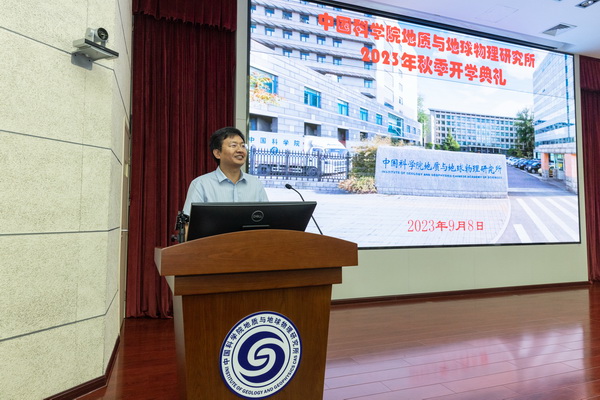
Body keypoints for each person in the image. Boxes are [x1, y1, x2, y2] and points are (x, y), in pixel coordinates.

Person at [182, 126, 268, 216]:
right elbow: (189, 222)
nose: (240, 150)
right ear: (217, 153)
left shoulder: (255, 184)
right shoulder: (201, 184)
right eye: (233, 145)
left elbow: (266, 217)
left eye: (243, 146)